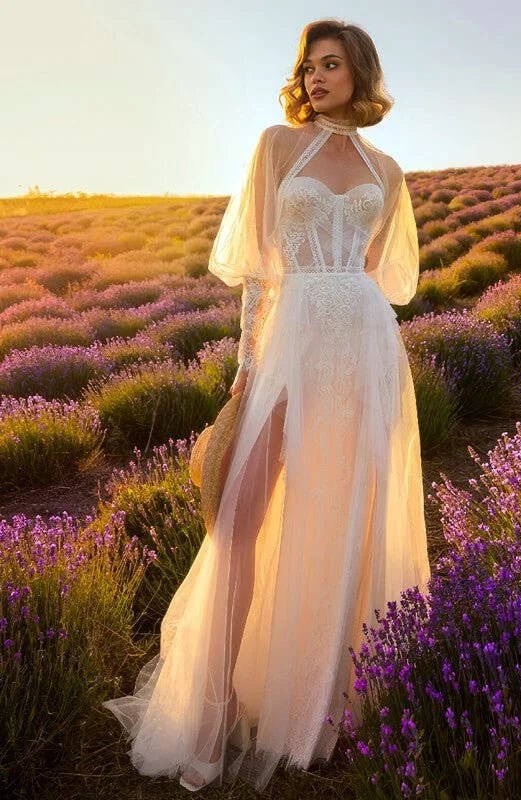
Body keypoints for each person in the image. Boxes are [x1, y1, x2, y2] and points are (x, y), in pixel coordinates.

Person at [102, 17, 432, 795]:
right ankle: (211, 715)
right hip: (288, 348)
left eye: (333, 64)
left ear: (361, 75)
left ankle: (315, 705)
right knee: (241, 517)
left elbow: (385, 277)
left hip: (364, 352)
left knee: (340, 520)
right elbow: (256, 273)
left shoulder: (387, 170)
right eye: (309, 65)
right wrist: (247, 369)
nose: (316, 77)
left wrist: (360, 330)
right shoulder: (277, 146)